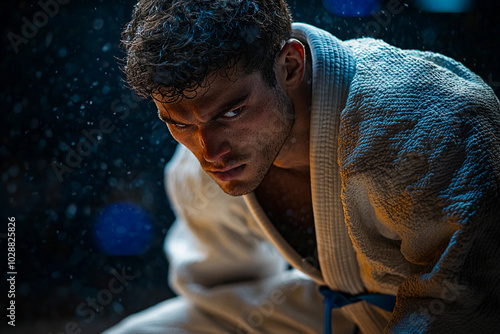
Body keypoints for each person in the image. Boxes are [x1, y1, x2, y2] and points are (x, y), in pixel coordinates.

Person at [104, 0, 500, 333]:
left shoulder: (425, 122)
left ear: (290, 66)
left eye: (233, 111)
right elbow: (217, 292)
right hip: (336, 313)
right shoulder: (203, 162)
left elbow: (471, 299)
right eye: (179, 122)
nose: (209, 151)